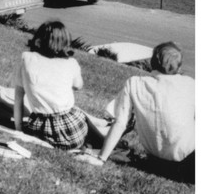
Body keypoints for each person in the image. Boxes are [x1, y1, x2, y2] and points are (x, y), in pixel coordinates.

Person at [82, 42, 194, 180]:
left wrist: (101, 158)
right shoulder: (190, 84)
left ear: (153, 62)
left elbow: (120, 123)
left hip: (156, 164)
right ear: (179, 67)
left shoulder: (134, 83)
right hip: (189, 167)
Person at [11, 21, 87, 150]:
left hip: (40, 130)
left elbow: (18, 98)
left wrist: (18, 128)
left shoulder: (26, 59)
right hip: (72, 132)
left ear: (38, 41)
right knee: (77, 112)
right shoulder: (71, 63)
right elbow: (78, 86)